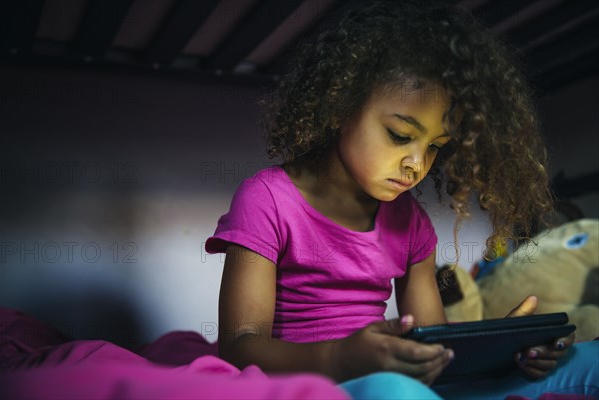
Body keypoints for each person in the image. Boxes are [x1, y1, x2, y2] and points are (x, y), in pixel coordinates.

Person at [205, 1, 598, 398]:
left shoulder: (410, 221)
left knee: (587, 362)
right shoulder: (267, 199)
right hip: (312, 380)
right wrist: (340, 358)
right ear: (341, 105)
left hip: (392, 380)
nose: (417, 165)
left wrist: (502, 349)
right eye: (399, 135)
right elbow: (239, 347)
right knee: (395, 390)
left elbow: (438, 348)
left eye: (435, 147)